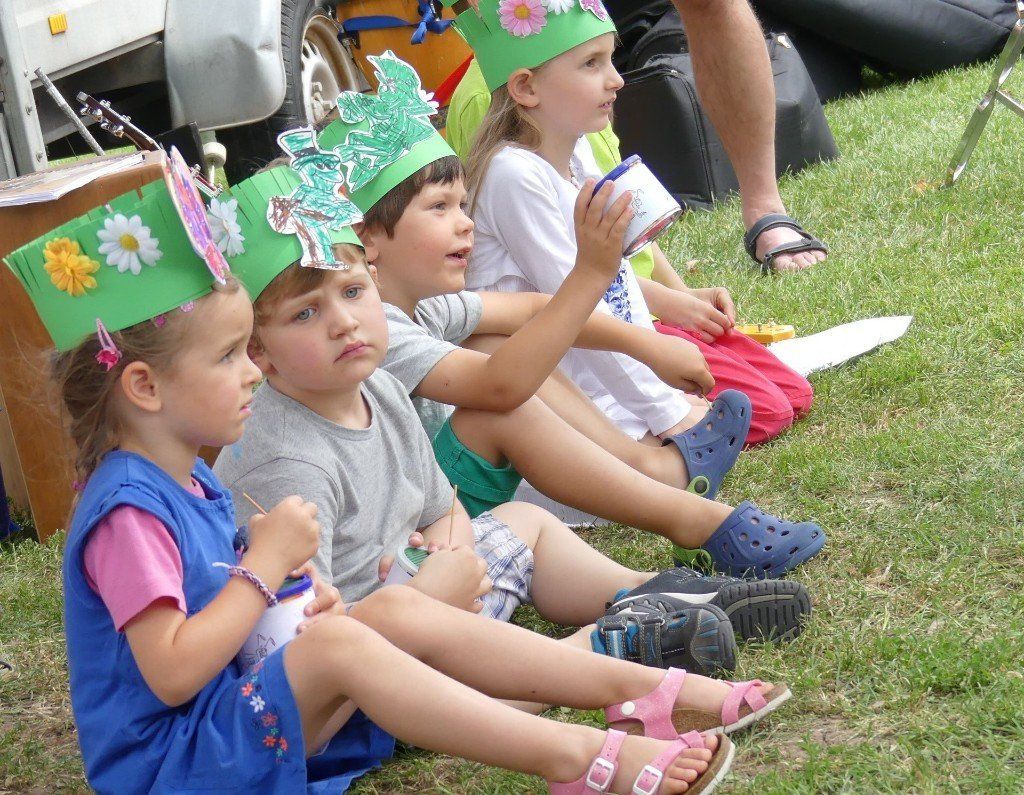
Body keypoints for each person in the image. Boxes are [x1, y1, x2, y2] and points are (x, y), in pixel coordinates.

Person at [6, 173, 760, 794]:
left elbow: (236, 623)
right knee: (346, 642)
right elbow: (172, 672)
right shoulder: (128, 511)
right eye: (230, 356)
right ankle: (577, 756)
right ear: (144, 386)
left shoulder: (187, 481)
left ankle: (641, 687)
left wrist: (298, 599)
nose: (251, 373)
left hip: (233, 720)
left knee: (385, 612)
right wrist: (263, 570)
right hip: (174, 766)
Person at [309, 52, 827, 584]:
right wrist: (591, 274)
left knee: (493, 340)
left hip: (442, 508)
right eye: (440, 207)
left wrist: (646, 343)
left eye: (462, 205)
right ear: (366, 237)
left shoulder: (425, 307)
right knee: (497, 403)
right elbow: (501, 388)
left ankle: (660, 575)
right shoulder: (374, 329)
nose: (466, 225)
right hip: (411, 540)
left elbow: (534, 308)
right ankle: (683, 511)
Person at [446, 0, 829, 274]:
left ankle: (765, 208)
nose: (619, 80)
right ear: (525, 87)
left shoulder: (579, 141)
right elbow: (572, 292)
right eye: (593, 63)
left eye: (610, 60)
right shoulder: (509, 163)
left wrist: (679, 297)